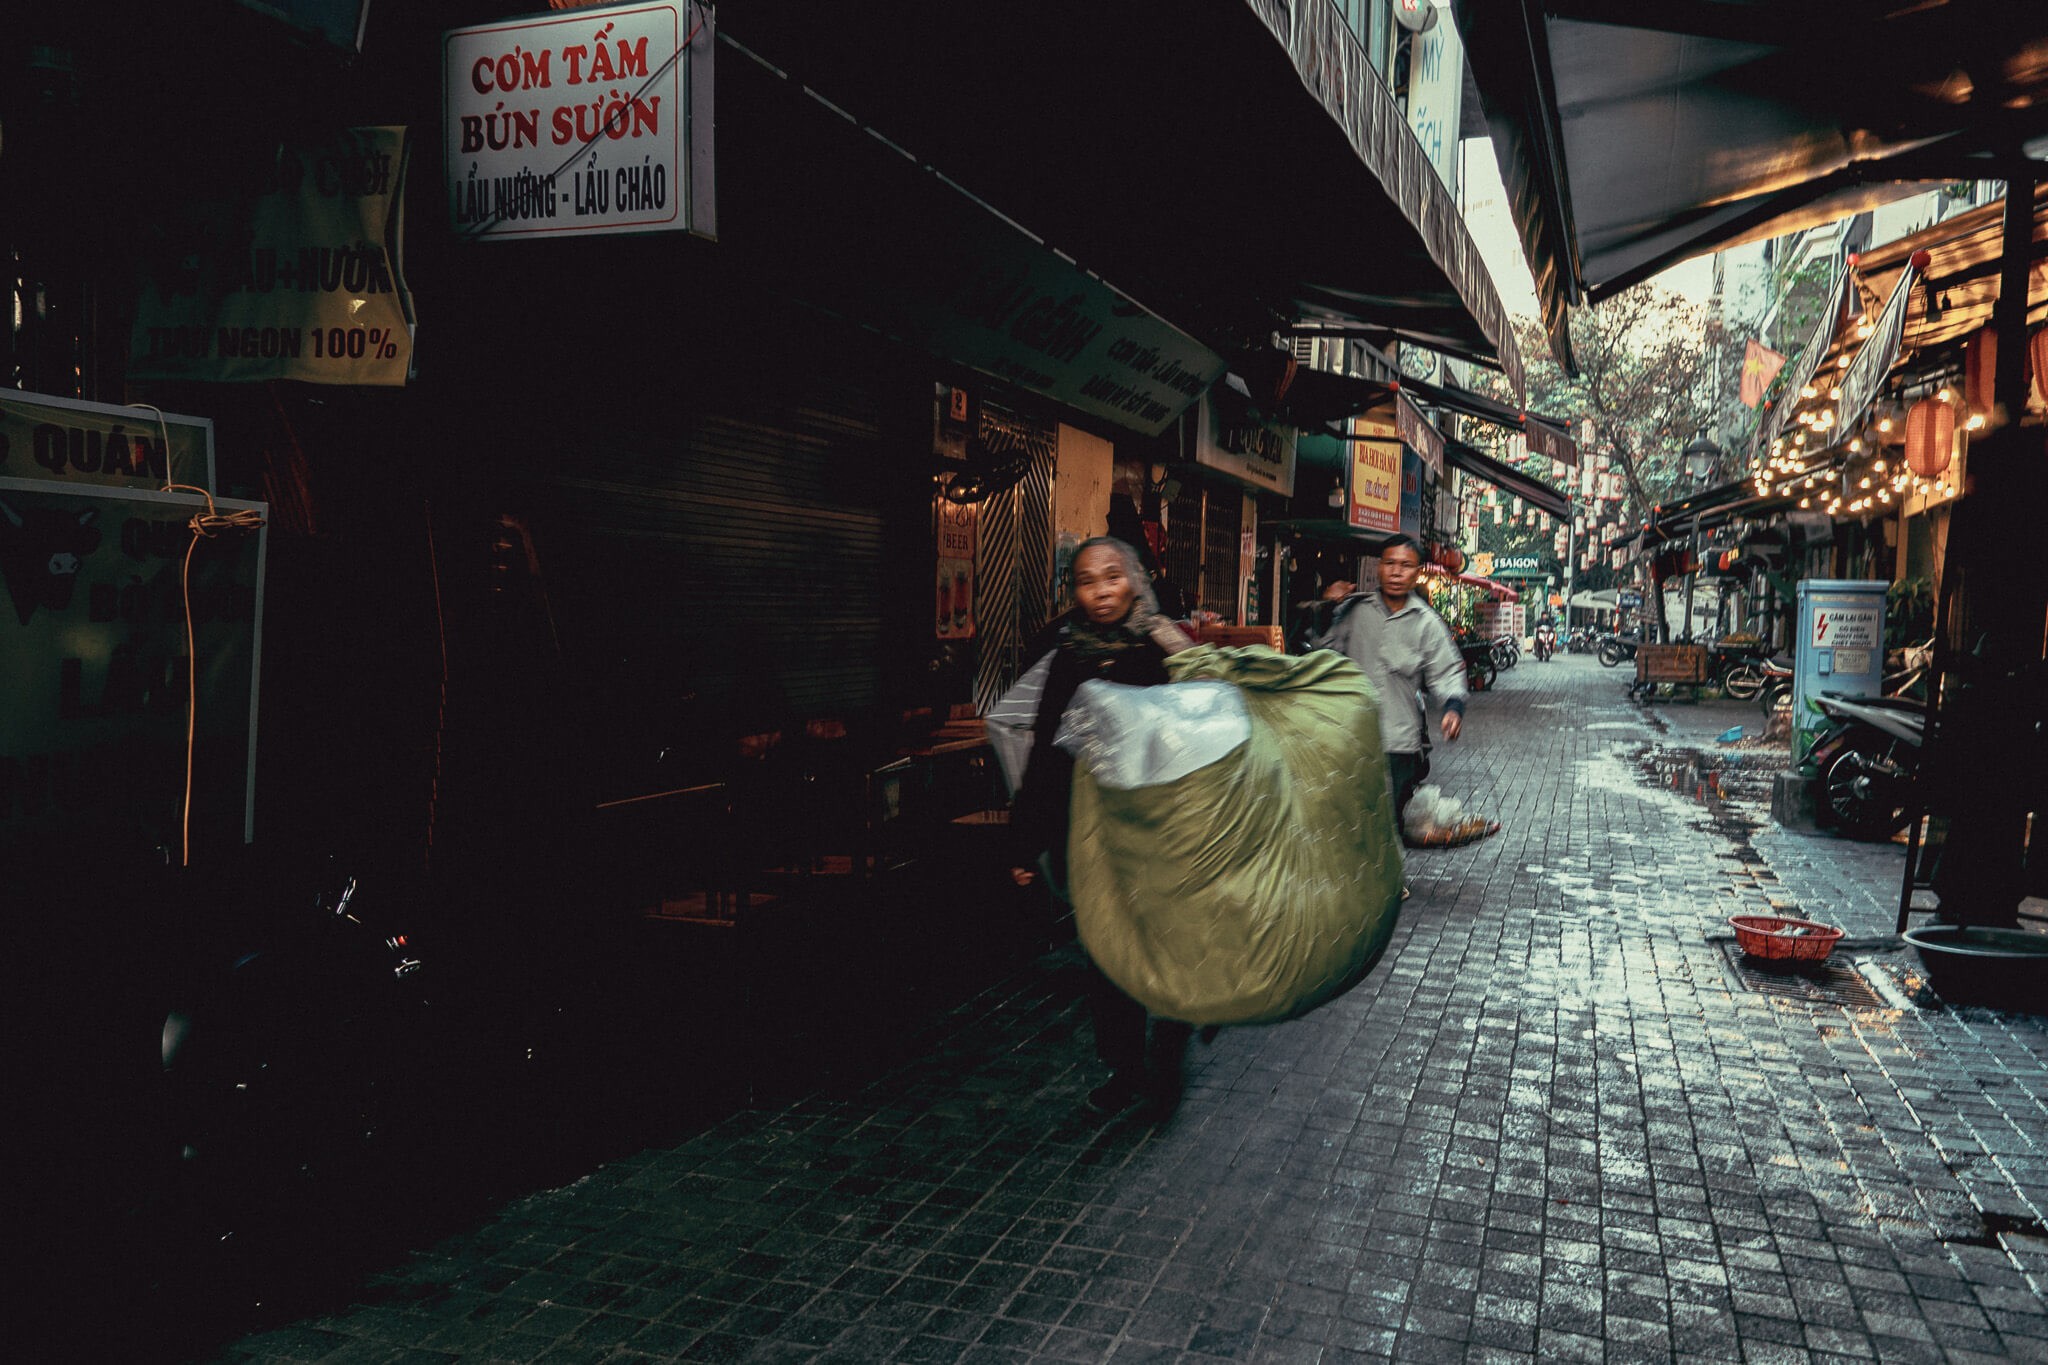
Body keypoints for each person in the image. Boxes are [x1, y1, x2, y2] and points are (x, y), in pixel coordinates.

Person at [1009, 536, 1197, 1119]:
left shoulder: (1168, 647)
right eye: (1088, 581)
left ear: (1135, 579)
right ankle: (1124, 1067)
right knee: (1107, 953)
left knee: (1161, 941)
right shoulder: (1065, 655)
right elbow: (1044, 752)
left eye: (1112, 577)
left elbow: (1201, 736)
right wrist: (1026, 840)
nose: (1101, 591)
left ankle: (1169, 1040)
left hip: (1157, 827)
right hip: (1091, 836)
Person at [1313, 534, 1468, 828]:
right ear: (1379, 567)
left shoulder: (1426, 623)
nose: (1397, 572)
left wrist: (1453, 708)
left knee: (1386, 829)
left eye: (1406, 565)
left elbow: (1447, 672)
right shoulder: (1354, 611)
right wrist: (1325, 607)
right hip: (1351, 737)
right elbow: (1320, 654)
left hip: (1398, 745)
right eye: (1390, 563)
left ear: (1417, 572)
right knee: (1346, 824)